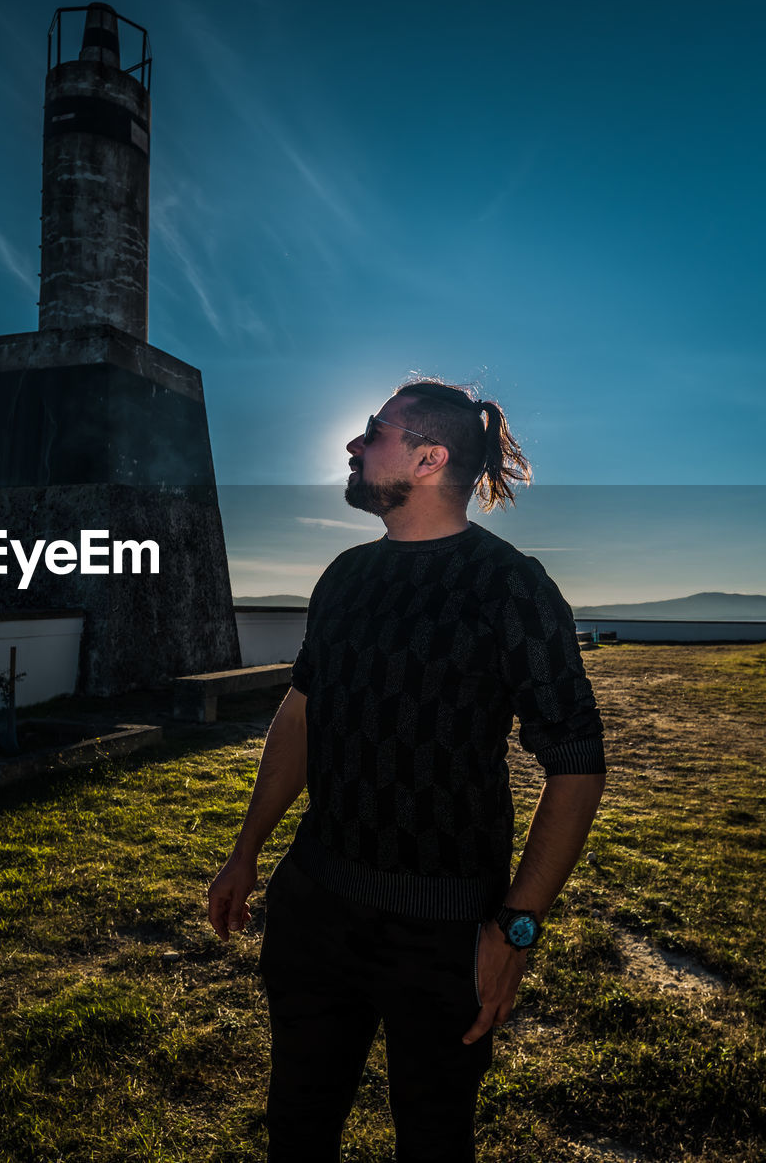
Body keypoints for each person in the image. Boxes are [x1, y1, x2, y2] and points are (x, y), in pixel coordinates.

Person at [207, 379, 606, 1162]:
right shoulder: (346, 578)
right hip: (316, 907)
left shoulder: (512, 589)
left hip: (446, 934)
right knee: (295, 1126)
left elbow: (577, 766)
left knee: (432, 1141)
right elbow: (303, 713)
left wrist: (516, 929)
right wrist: (248, 850)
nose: (354, 446)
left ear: (429, 459)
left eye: (373, 432)